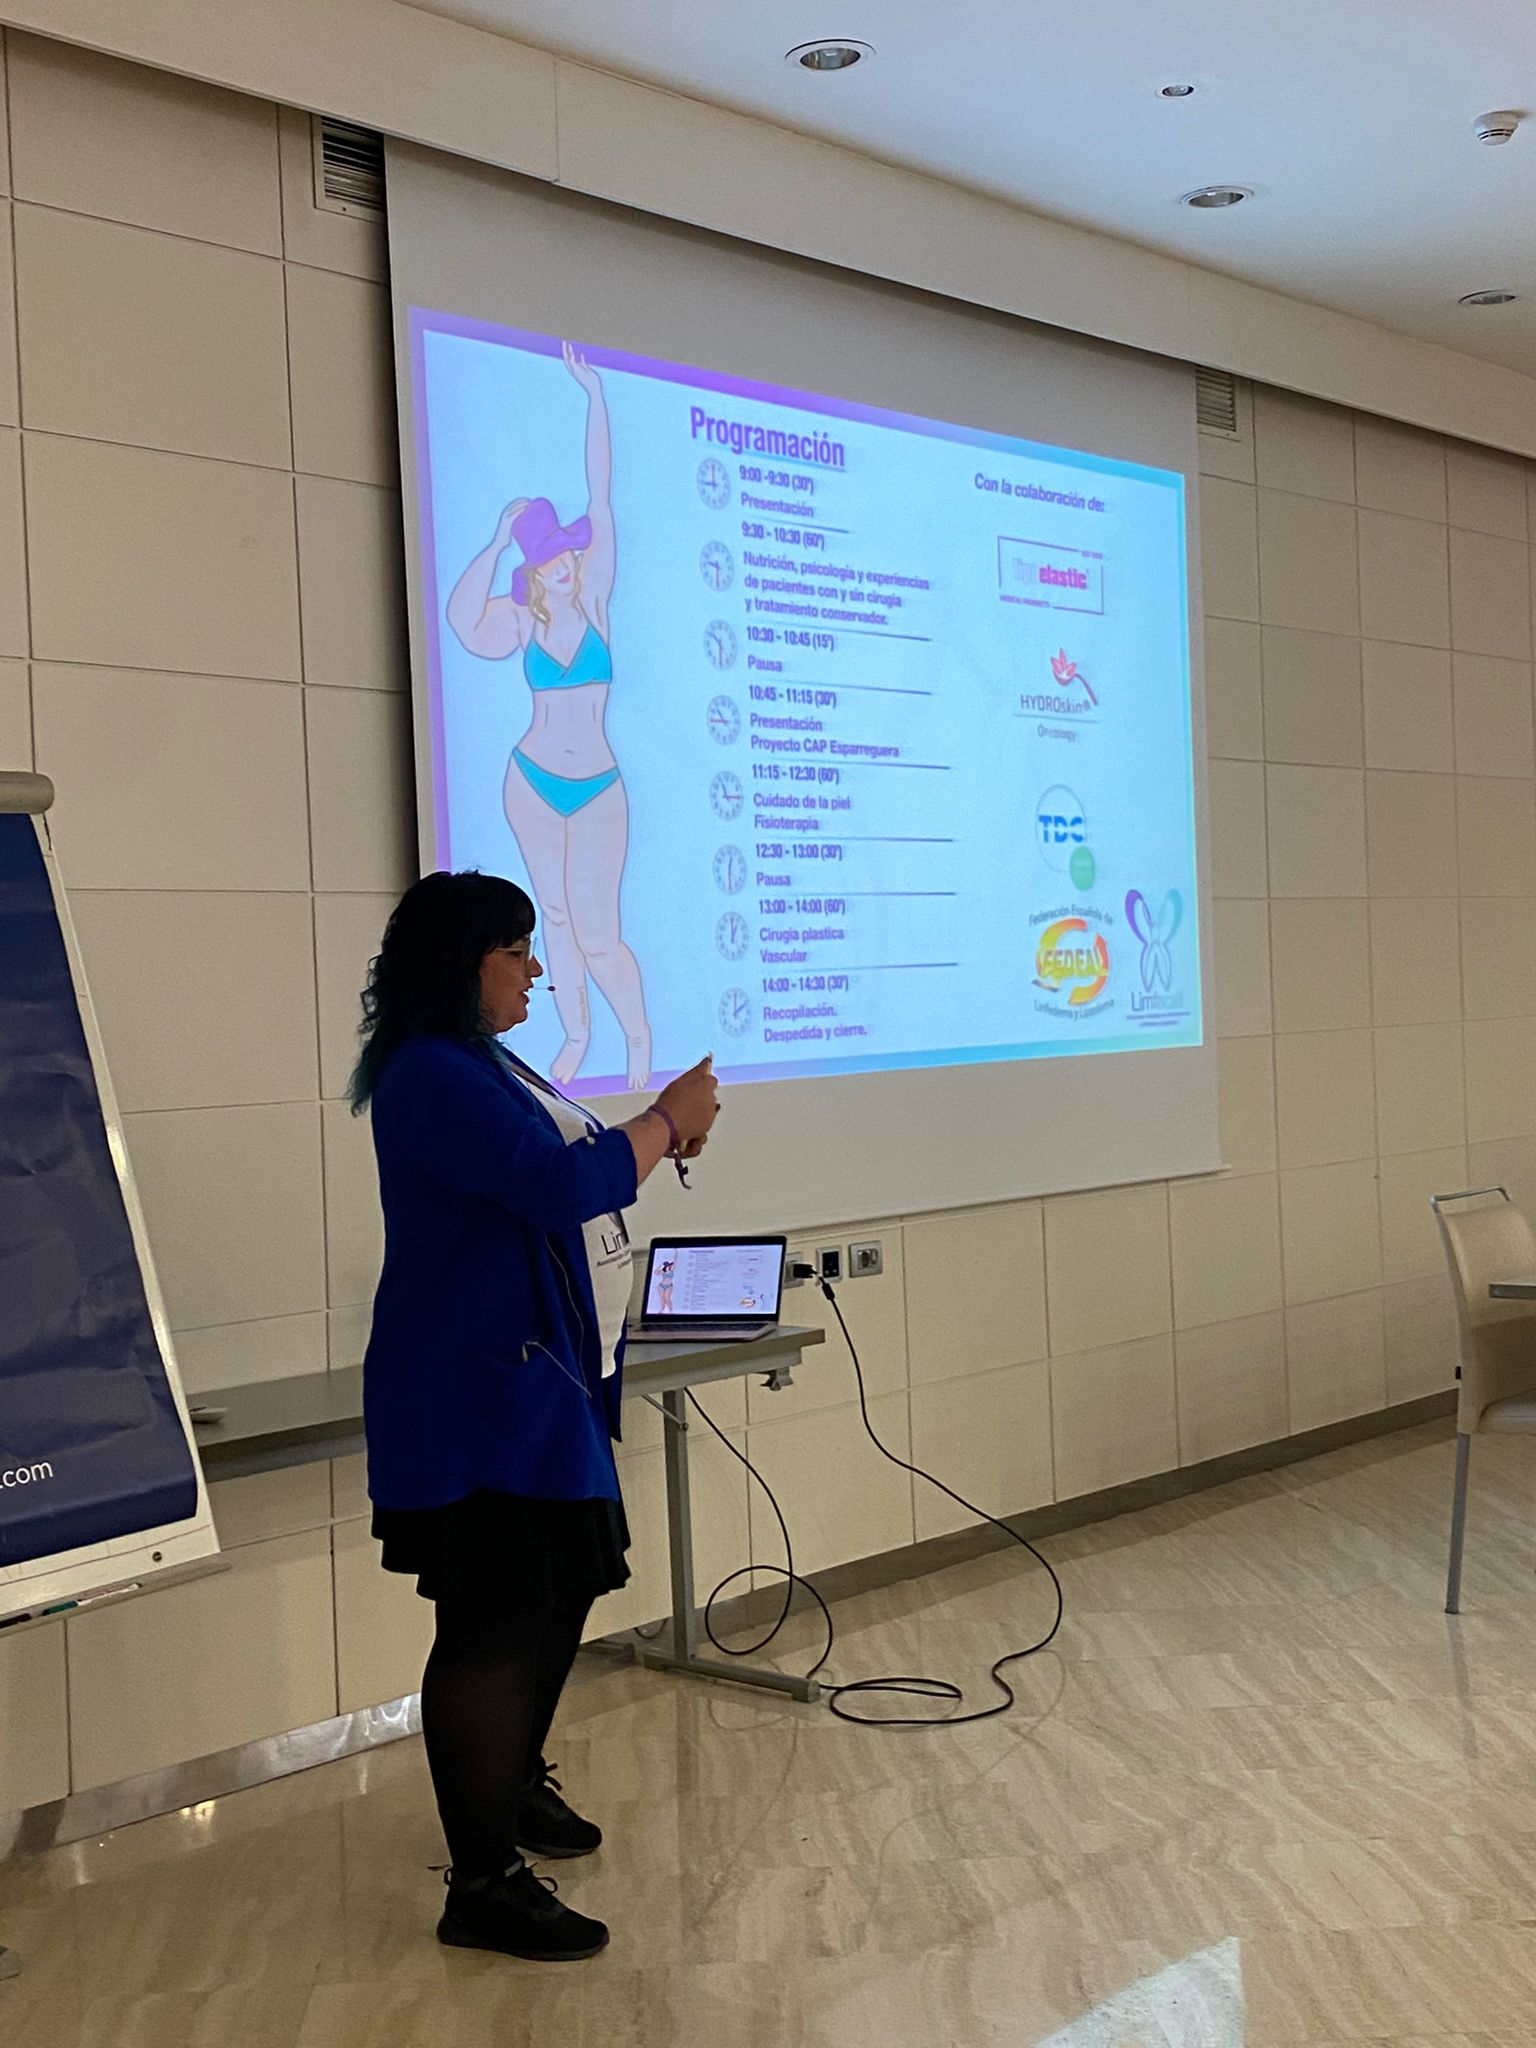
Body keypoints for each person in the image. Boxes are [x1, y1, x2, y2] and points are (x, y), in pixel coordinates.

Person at [351, 870, 719, 1963]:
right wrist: (663, 1120)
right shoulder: (429, 1071)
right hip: (477, 1398)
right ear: (458, 963)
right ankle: (482, 1882)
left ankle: (508, 1780)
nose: (535, 969)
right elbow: (555, 1187)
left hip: (541, 1386)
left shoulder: (486, 1062)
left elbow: (563, 1171)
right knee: (493, 1621)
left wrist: (649, 1141)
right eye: (514, 951)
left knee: (556, 1594)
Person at [446, 342, 652, 1090]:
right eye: (549, 561)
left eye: (568, 556)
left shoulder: (595, 597)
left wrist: (595, 398)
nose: (563, 567)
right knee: (554, 921)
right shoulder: (518, 620)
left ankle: (638, 1038)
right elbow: (461, 621)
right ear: (533, 571)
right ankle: (576, 1036)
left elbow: (601, 496)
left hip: (597, 786)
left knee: (599, 932)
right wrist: (496, 540)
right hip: (531, 781)